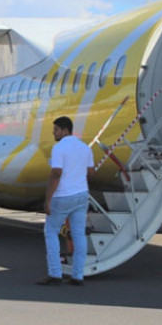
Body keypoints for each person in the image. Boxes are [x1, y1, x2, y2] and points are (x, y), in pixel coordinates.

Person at [37, 116, 95, 286]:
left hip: (62, 196)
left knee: (51, 232)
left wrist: (48, 199)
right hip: (81, 195)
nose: (54, 133)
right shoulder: (85, 148)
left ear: (64, 130)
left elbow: (56, 173)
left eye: (56, 130)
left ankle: (55, 273)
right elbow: (91, 174)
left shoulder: (59, 148)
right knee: (79, 235)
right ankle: (78, 275)